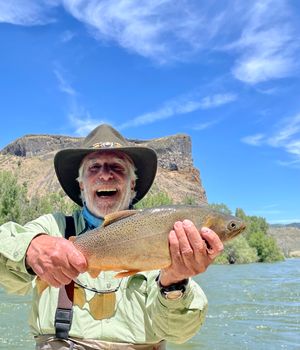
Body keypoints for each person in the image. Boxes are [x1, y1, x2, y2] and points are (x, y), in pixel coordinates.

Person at [0, 124, 224, 350]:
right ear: (81, 185)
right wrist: (30, 248)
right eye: (94, 167)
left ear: (132, 183)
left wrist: (174, 283)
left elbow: (180, 333)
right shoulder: (53, 227)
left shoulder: (165, 233)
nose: (105, 175)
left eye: (116, 167)